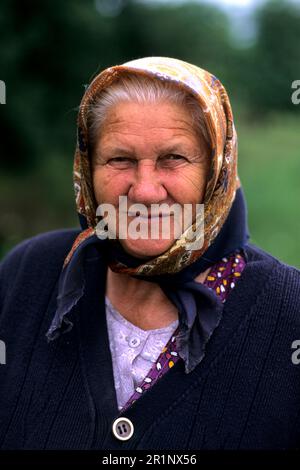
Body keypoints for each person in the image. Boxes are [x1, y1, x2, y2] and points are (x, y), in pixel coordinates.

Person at [0, 57, 299, 450]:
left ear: (217, 170)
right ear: (87, 169)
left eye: (172, 158)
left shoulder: (288, 314)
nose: (144, 190)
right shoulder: (27, 273)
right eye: (119, 159)